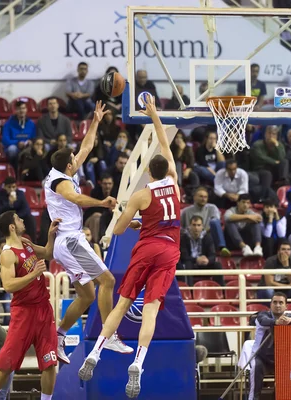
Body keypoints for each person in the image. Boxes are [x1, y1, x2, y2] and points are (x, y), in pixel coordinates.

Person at [78, 94, 181, 398]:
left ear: (149, 172)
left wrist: (130, 217)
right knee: (150, 310)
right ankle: (139, 361)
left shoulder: (141, 194)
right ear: (167, 169)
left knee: (122, 304)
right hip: (169, 249)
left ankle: (94, 353)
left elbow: (120, 229)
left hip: (147, 246)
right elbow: (164, 143)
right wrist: (155, 115)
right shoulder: (174, 180)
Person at [43, 100, 131, 364]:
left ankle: (57, 337)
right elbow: (78, 199)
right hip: (70, 241)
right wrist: (102, 201)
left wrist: (95, 120)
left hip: (66, 242)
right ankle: (110, 335)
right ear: (69, 166)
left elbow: (86, 146)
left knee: (87, 295)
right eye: (74, 161)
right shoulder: (60, 182)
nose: (77, 160)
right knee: (108, 282)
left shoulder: (62, 170)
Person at [0, 212, 60, 400]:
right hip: (24, 312)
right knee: (8, 362)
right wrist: (33, 273)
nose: (23, 220)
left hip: (43, 309)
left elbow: (47, 253)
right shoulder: (8, 253)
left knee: (50, 361)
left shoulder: (26, 241)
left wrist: (50, 236)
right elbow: (8, 285)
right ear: (12, 226)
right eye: (19, 219)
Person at [248, 292, 291, 400]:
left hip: (282, 359)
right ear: (270, 305)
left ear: (286, 306)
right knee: (255, 368)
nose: (277, 305)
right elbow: (263, 321)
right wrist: (277, 322)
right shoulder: (262, 315)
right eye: (275, 302)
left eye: (281, 303)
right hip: (261, 357)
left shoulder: (289, 318)